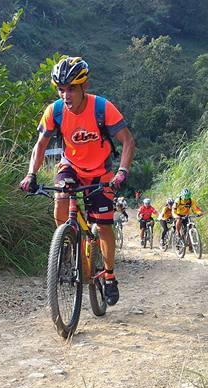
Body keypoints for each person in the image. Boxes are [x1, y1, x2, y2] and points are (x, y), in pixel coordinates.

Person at [19, 56, 136, 306]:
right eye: (61, 89)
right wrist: (31, 174)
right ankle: (66, 244)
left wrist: (122, 172)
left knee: (103, 225)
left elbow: (127, 140)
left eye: (71, 88)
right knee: (61, 198)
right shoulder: (55, 111)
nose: (66, 95)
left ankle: (109, 276)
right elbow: (40, 145)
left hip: (100, 173)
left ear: (84, 86)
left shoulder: (102, 108)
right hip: (70, 166)